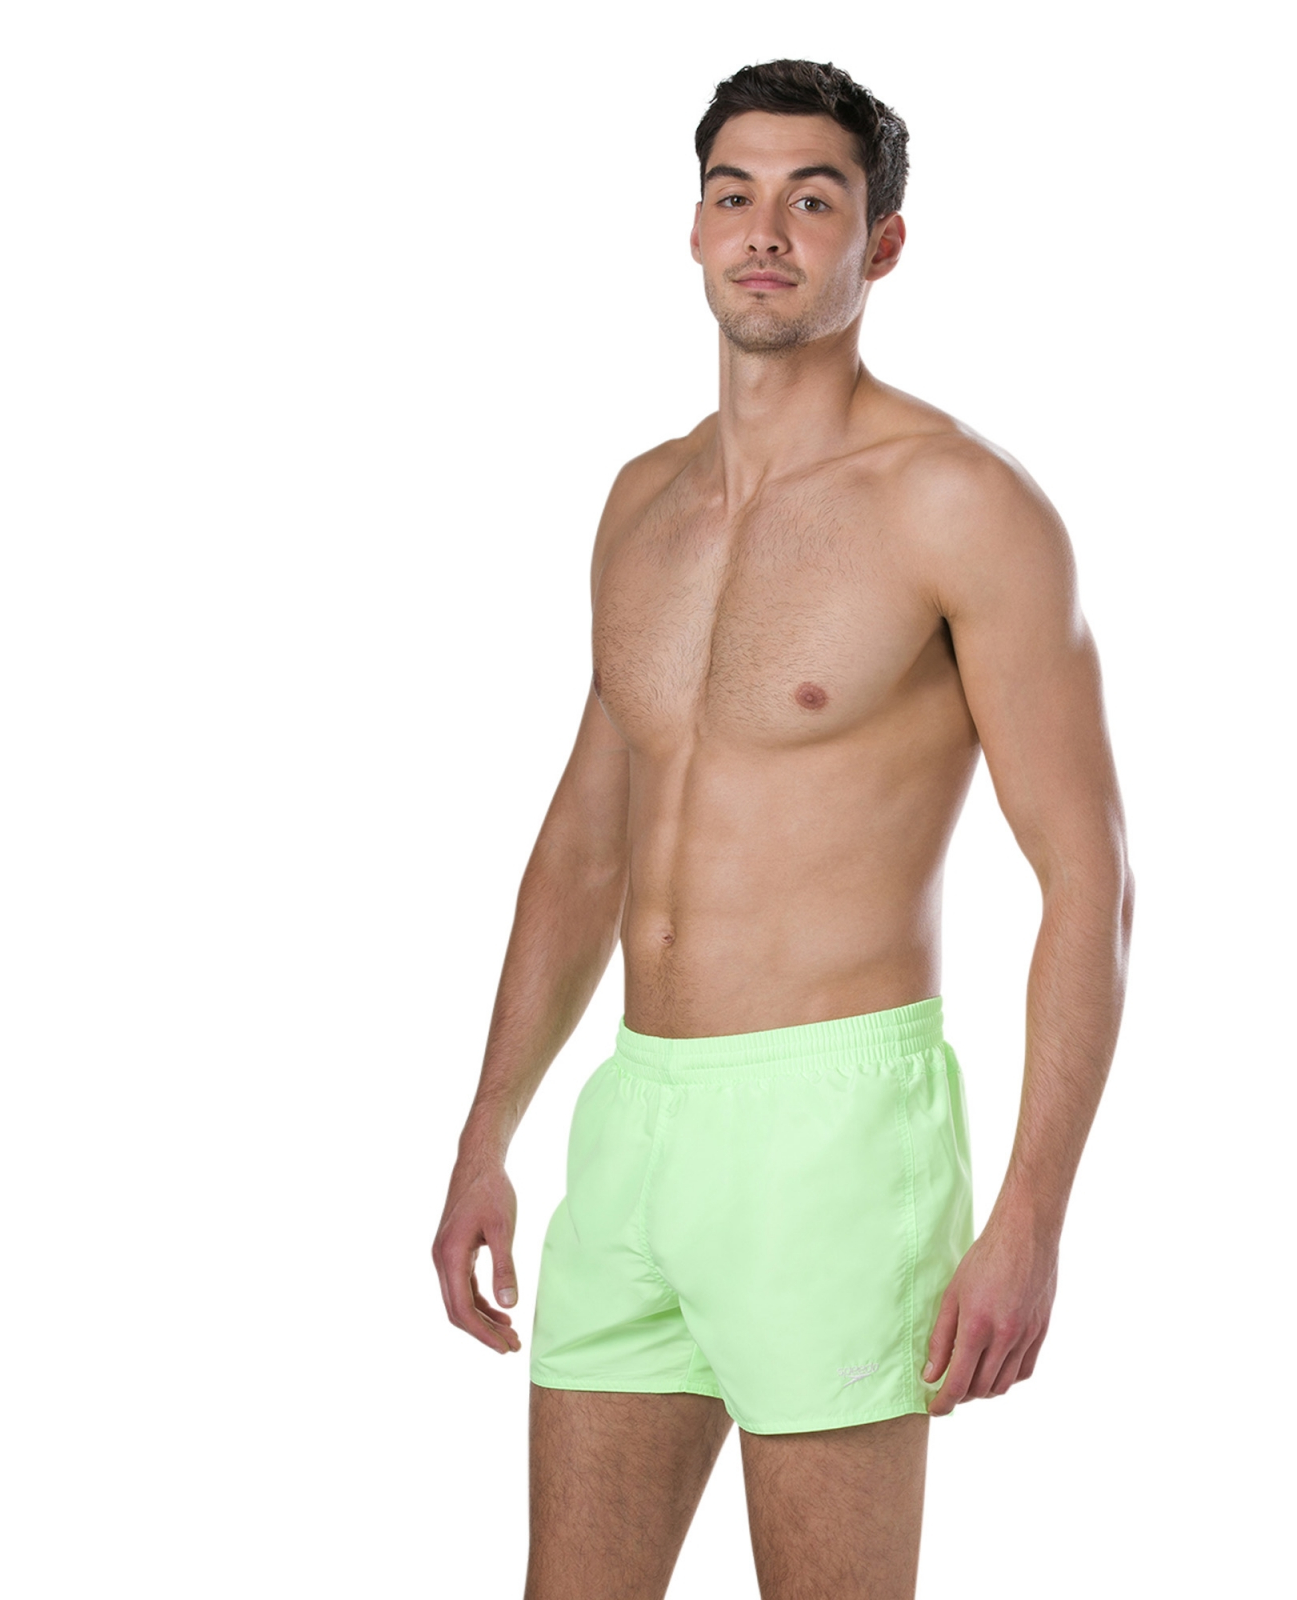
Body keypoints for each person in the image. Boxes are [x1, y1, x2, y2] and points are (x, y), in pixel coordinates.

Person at [432, 57, 1135, 1600]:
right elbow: (584, 844)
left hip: (836, 1127)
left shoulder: (958, 504)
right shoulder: (642, 502)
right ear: (694, 227)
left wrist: (1032, 1211)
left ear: (881, 244)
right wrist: (491, 1130)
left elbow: (1087, 878)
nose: (765, 231)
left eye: (813, 201)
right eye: (732, 194)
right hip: (638, 1119)